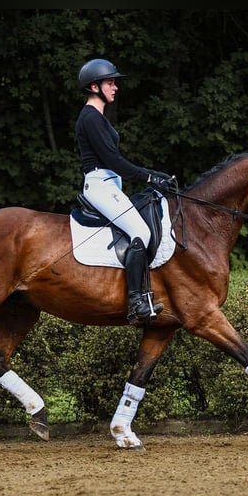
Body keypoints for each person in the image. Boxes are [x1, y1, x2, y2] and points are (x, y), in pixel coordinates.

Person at [75, 58, 173, 324]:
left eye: (115, 82)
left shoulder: (99, 117)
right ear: (94, 86)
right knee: (140, 231)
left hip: (109, 183)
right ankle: (135, 301)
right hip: (99, 184)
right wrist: (150, 176)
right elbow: (114, 161)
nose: (115, 87)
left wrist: (154, 175)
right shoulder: (91, 118)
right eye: (110, 82)